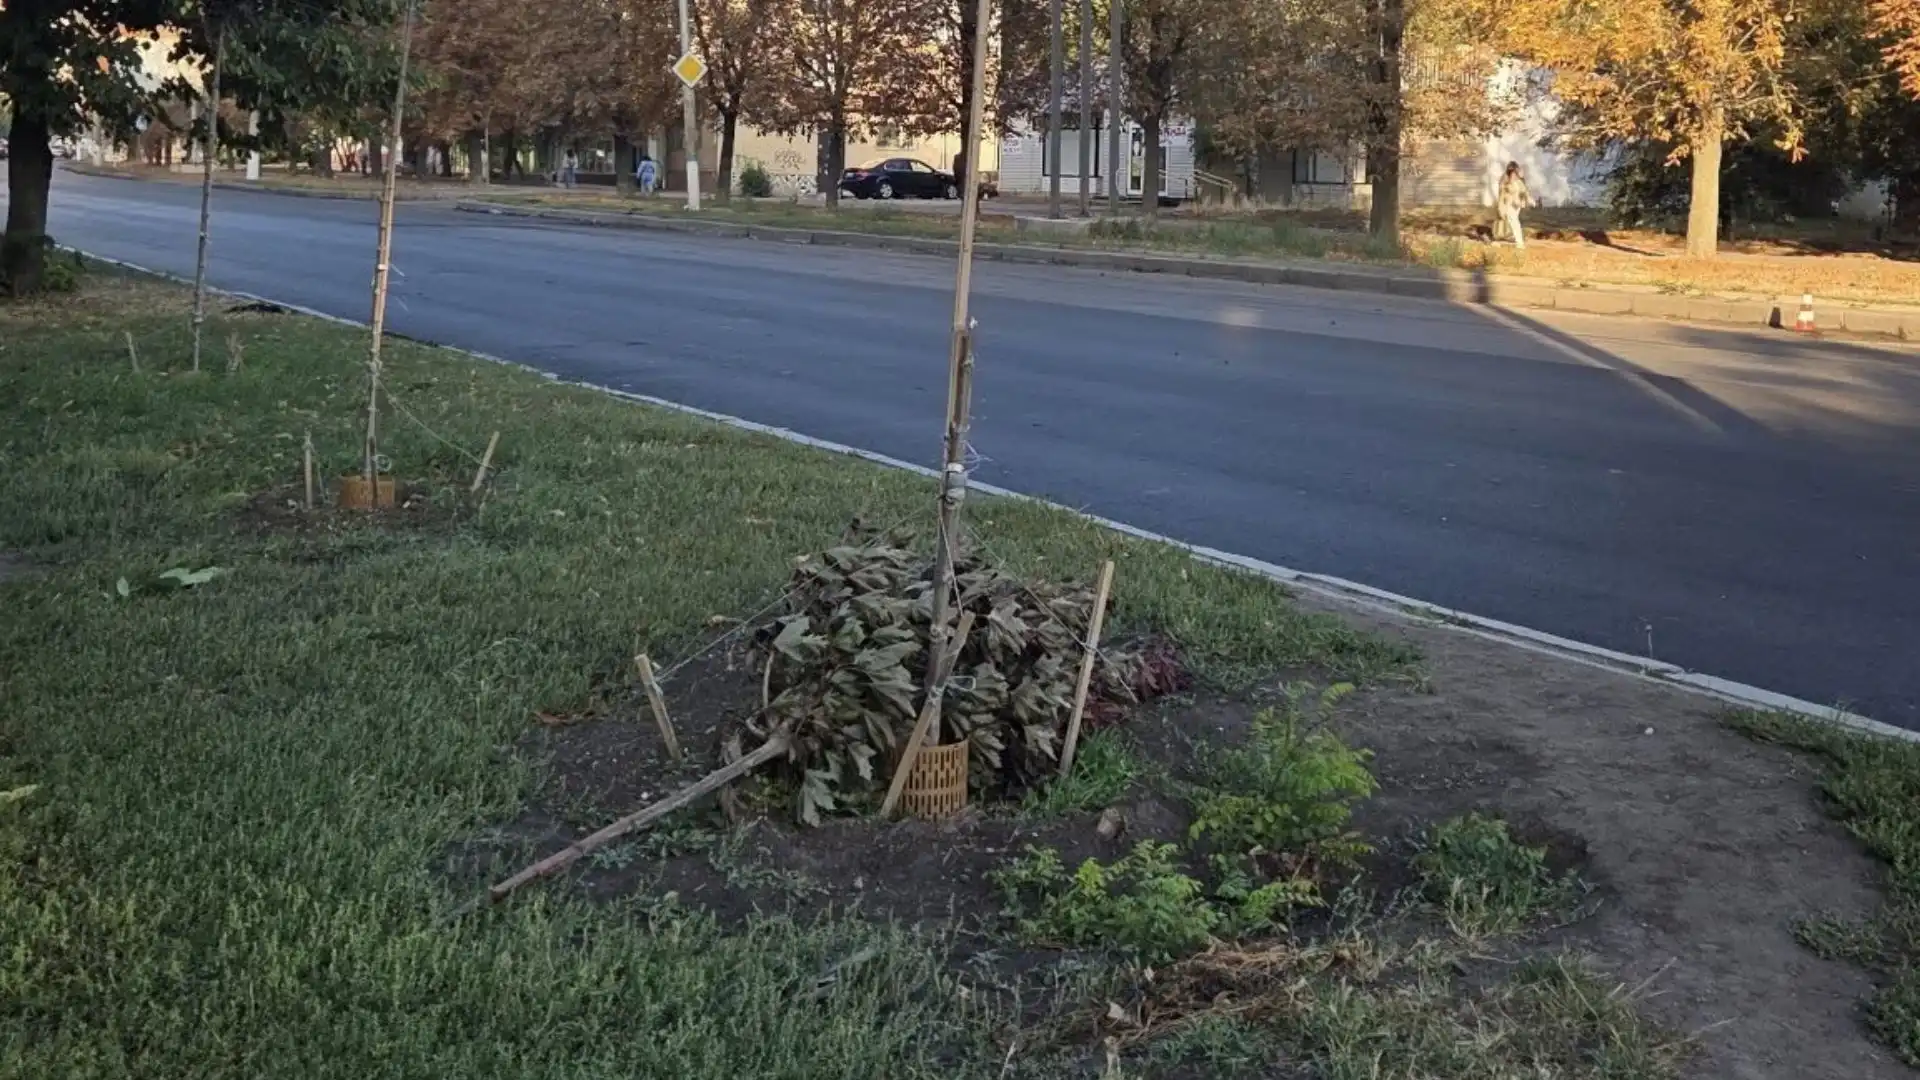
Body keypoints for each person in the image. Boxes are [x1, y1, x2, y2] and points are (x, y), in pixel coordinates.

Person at [1496, 161, 1531, 251]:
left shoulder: (1519, 181)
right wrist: (1501, 207)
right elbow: (1501, 195)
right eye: (1513, 172)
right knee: (1514, 222)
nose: (1514, 174)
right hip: (1509, 205)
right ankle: (1519, 243)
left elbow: (1524, 191)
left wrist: (1526, 200)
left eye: (1516, 172)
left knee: (1515, 222)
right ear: (1509, 171)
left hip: (1517, 205)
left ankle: (1517, 240)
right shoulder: (1504, 181)